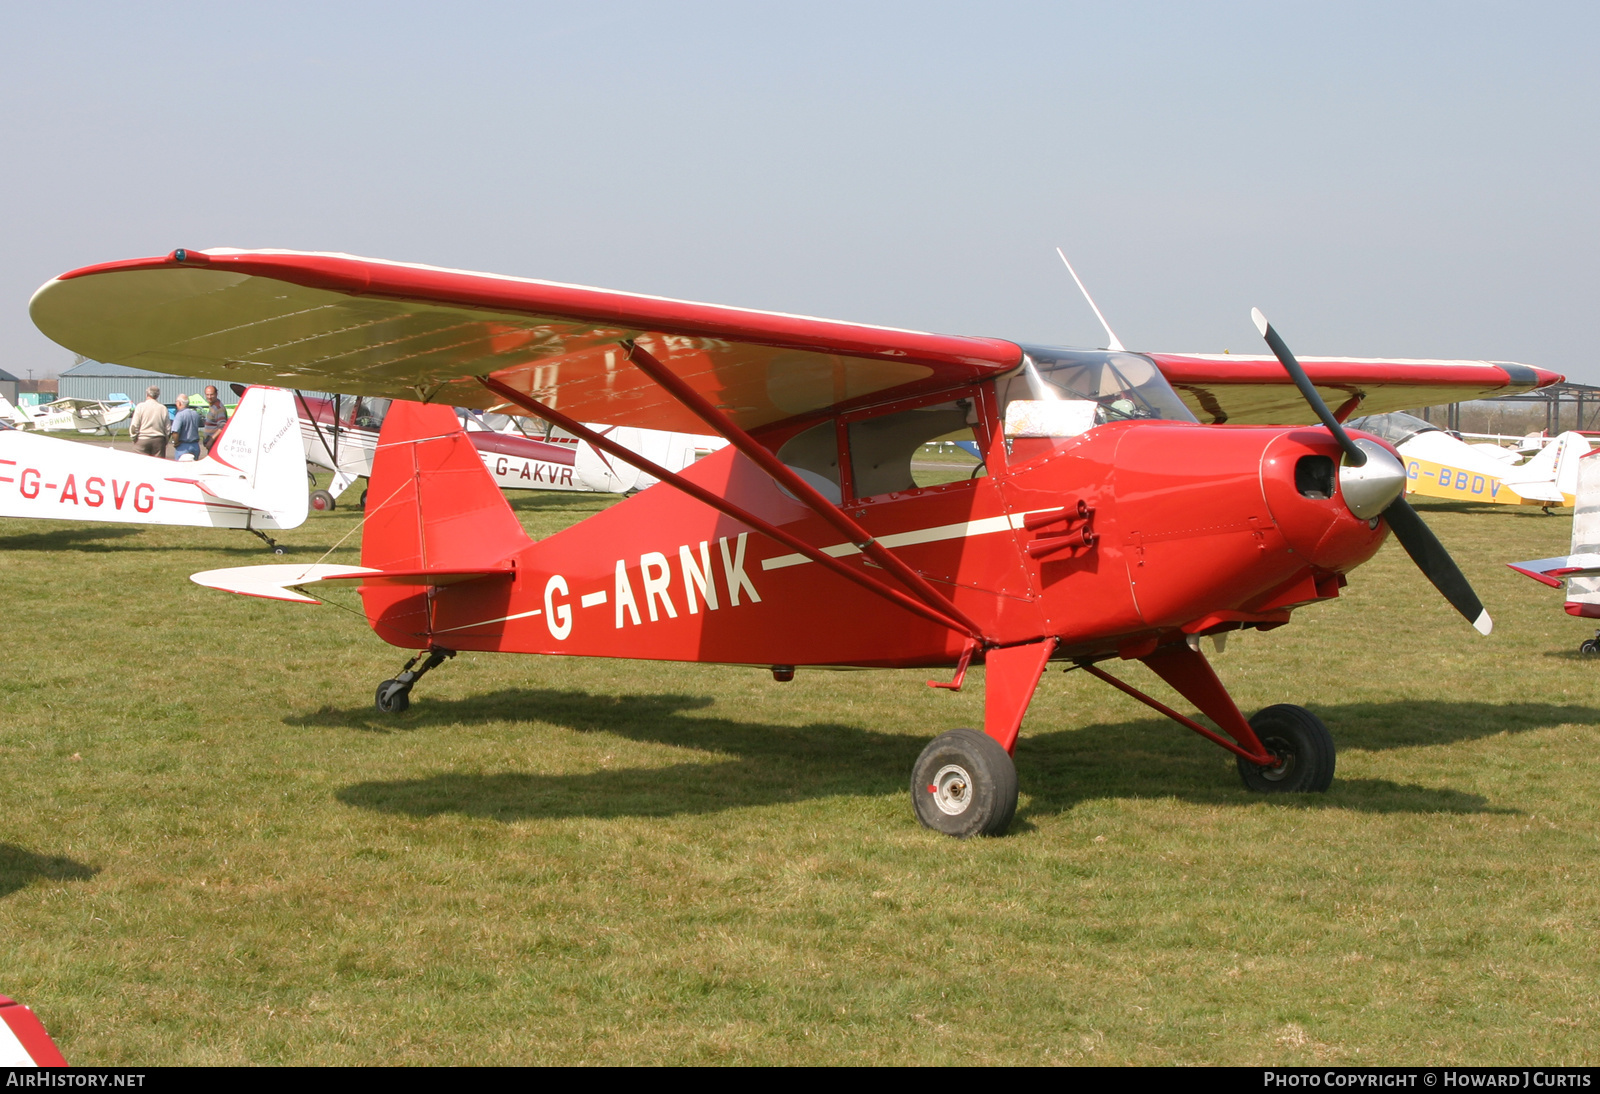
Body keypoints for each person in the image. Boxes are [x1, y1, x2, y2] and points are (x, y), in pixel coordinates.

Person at [128, 386, 169, 458]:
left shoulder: (140, 406)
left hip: (143, 439)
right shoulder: (163, 408)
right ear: (158, 395)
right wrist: (165, 441)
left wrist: (134, 438)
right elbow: (168, 428)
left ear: (147, 394)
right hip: (158, 440)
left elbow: (134, 426)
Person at [171, 393, 201, 461]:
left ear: (179, 403)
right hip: (195, 445)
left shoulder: (180, 415)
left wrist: (175, 443)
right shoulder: (195, 414)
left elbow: (175, 431)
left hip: (183, 446)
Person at [202, 386, 228, 451]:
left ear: (216, 394)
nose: (209, 397)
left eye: (211, 394)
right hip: (211, 444)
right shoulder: (212, 406)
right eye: (207, 395)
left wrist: (211, 440)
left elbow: (222, 427)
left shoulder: (218, 408)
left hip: (214, 445)